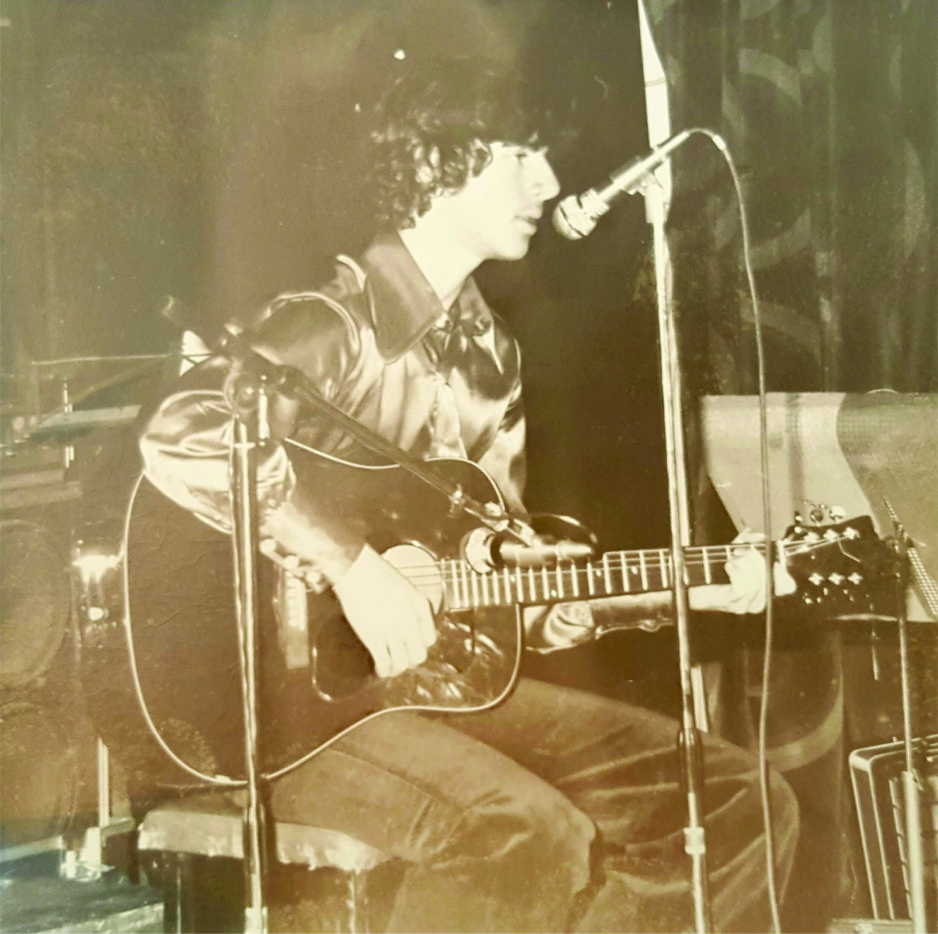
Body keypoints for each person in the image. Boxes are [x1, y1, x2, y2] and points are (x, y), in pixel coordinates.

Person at [137, 56, 798, 933]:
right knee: (521, 832)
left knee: (738, 800)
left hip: (425, 693)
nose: (550, 183)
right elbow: (181, 431)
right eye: (522, 155)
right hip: (269, 706)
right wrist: (351, 565)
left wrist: (670, 592)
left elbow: (502, 575)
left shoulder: (491, 357)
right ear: (431, 164)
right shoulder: (333, 321)